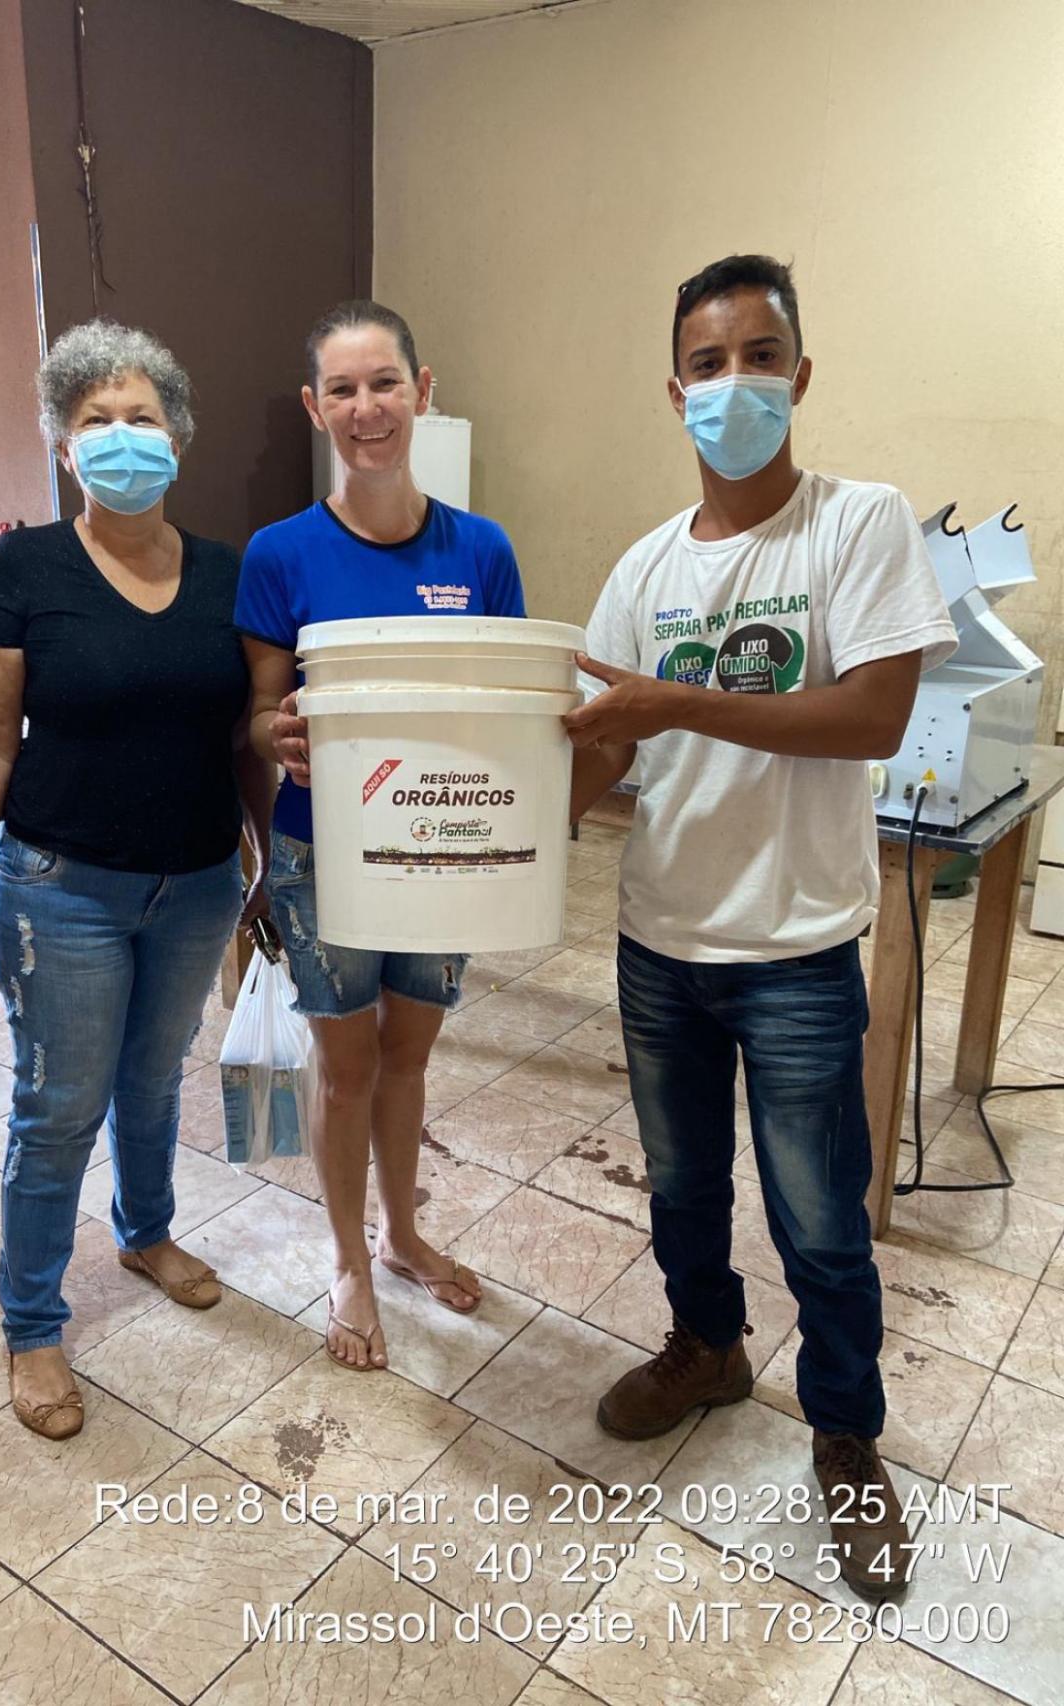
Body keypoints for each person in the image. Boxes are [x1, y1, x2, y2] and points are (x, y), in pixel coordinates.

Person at [567, 255, 956, 1598]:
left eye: (757, 356)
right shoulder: (644, 566)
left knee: (820, 1219)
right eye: (706, 363)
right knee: (682, 1189)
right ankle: (709, 1347)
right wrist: (458, 815)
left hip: (795, 949)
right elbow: (597, 753)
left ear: (799, 374)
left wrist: (672, 702)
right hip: (659, 940)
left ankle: (845, 1429)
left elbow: (873, 718)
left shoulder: (858, 524)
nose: (731, 383)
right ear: (672, 391)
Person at [0, 320, 273, 1439]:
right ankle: (31, 1321)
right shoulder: (25, 567)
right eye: (96, 420)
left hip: (196, 882)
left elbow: (247, 734)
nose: (122, 436)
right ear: (63, 444)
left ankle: (146, 1230)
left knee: (154, 1079)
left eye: (142, 416)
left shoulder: (229, 573)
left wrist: (264, 856)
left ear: (178, 434)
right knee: (58, 1107)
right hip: (59, 885)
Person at [235, 300, 525, 1371]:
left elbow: (507, 709)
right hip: (325, 851)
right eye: (343, 389)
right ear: (316, 408)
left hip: (442, 845)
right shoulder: (280, 553)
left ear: (422, 390)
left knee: (409, 1056)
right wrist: (275, 733)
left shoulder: (481, 550)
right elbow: (257, 715)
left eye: (385, 383)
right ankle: (349, 1257)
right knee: (346, 1064)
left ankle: (402, 1234)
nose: (367, 408)